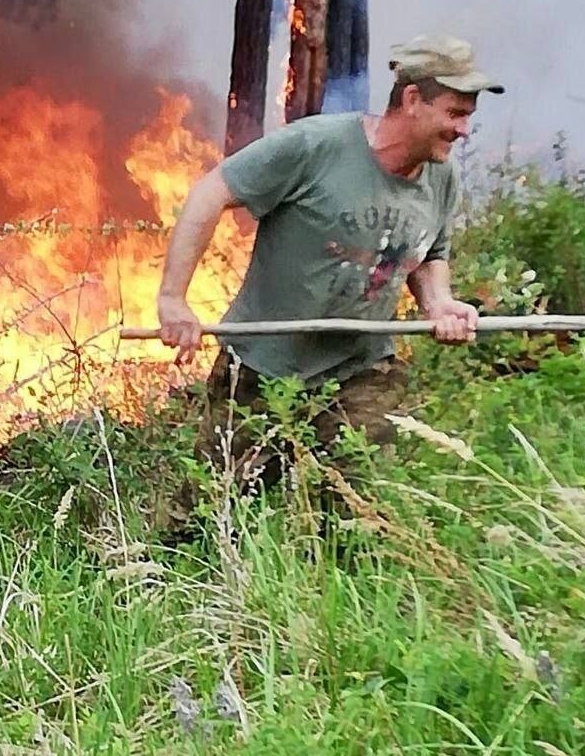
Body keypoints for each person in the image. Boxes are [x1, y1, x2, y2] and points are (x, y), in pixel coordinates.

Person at [155, 34, 504, 511]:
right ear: (412, 99)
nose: (464, 131)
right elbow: (210, 193)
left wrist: (439, 302)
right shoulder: (316, 146)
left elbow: (430, 252)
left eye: (469, 116)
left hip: (360, 371)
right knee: (206, 517)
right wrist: (174, 298)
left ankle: (328, 581)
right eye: (455, 114)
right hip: (265, 367)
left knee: (353, 521)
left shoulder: (440, 176)